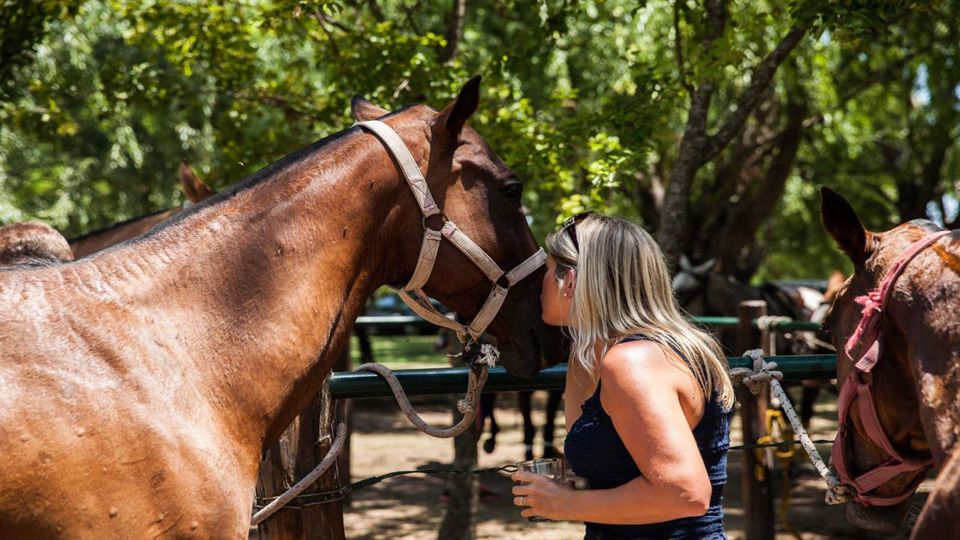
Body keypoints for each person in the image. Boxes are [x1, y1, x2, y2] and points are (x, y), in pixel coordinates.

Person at [511, 213, 734, 539]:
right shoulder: (590, 358)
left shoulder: (633, 362)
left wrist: (564, 504)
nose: (538, 286)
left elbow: (685, 494)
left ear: (570, 281)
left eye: (546, 270)